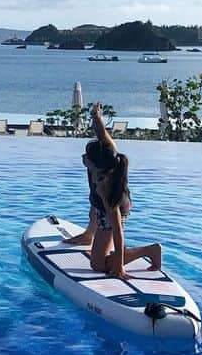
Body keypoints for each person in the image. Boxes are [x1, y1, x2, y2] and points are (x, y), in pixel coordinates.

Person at [64, 101, 161, 279]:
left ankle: (149, 250)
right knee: (94, 207)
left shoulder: (104, 188)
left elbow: (117, 229)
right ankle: (89, 235)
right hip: (106, 202)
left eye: (87, 157)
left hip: (115, 208)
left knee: (98, 264)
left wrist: (118, 266)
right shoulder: (107, 154)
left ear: (97, 165)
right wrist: (96, 117)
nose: (83, 157)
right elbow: (102, 134)